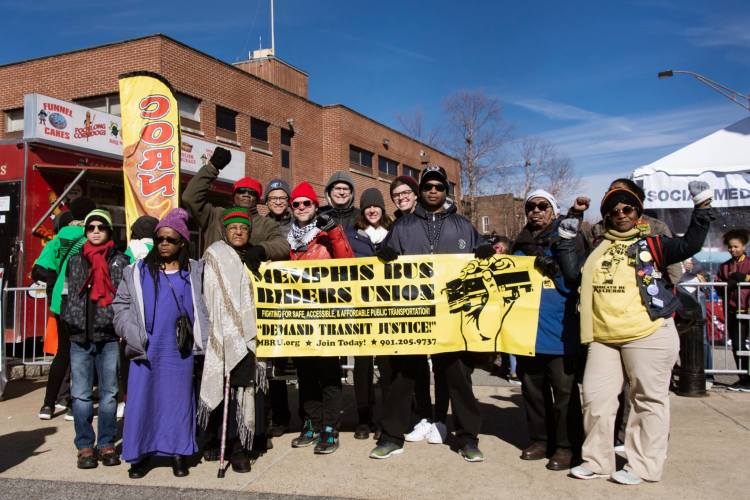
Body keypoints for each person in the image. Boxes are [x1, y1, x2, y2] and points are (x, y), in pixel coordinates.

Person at [560, 182, 712, 485]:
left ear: (637, 211)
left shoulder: (654, 242)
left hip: (648, 331)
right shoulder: (598, 246)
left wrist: (702, 208)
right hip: (604, 336)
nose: (621, 214)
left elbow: (690, 245)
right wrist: (565, 239)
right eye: (613, 210)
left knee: (647, 400)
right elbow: (574, 274)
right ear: (606, 217)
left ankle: (642, 465)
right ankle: (597, 461)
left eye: (627, 208)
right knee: (595, 399)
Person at [370, 165, 492, 462]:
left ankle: (467, 438)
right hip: (413, 315)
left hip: (453, 316)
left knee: (458, 377)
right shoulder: (403, 226)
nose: (433, 191)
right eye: (428, 187)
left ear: (445, 191)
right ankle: (392, 436)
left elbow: (484, 263)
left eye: (438, 186)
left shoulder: (463, 226)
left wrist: (486, 251)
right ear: (421, 192)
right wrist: (384, 256)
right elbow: (381, 272)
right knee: (402, 376)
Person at [113, 208, 208, 479]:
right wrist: (130, 331)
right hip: (146, 348)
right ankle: (141, 454)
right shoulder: (137, 271)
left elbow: (207, 307)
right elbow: (120, 305)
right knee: (143, 402)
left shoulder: (195, 272)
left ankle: (178, 453)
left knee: (178, 403)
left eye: (171, 239)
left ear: (182, 243)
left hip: (179, 350)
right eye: (160, 239)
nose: (164, 244)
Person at [512, 189, 585, 471]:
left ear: (553, 211)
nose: (536, 211)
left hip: (560, 331)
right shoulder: (520, 244)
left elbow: (576, 282)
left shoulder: (569, 239)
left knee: (565, 395)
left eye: (543, 206)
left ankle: (567, 446)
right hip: (527, 332)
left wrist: (553, 269)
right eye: (531, 206)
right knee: (533, 392)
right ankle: (541, 440)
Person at [198, 207, 266, 474]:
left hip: (247, 334)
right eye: (233, 228)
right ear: (225, 231)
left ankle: (239, 448)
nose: (238, 232)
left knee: (241, 389)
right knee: (221, 389)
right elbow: (211, 291)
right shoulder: (215, 254)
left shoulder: (252, 255)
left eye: (244, 228)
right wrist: (224, 325)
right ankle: (215, 440)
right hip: (221, 331)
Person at [288, 181, 353, 454]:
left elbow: (347, 261)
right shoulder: (287, 237)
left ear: (316, 206)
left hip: (327, 313)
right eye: (297, 203)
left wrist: (335, 233)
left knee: (328, 373)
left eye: (307, 203)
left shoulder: (326, 233)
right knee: (305, 374)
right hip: (299, 315)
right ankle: (311, 423)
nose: (302, 207)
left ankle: (330, 427)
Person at [61, 209, 130, 469]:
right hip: (79, 336)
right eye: (91, 227)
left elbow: (125, 297)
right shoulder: (75, 260)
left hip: (109, 336)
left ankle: (107, 443)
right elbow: (67, 293)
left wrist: (120, 325)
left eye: (101, 227)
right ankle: (85, 445)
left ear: (110, 231)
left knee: (110, 393)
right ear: (86, 231)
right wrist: (70, 320)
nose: (96, 231)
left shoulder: (121, 261)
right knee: (80, 395)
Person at [388, 175, 448, 444]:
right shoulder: (398, 225)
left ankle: (441, 419)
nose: (401, 197)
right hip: (411, 305)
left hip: (444, 304)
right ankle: (424, 415)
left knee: (444, 364)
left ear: (416, 194)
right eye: (396, 194)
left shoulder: (441, 221)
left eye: (406, 193)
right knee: (416, 367)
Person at [33, 197, 96, 420]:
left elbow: (38, 270)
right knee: (82, 352)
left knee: (62, 354)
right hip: (82, 302)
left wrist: (55, 284)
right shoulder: (90, 237)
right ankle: (73, 405)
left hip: (60, 301)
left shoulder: (57, 239)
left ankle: (48, 405)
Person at [182, 146, 289, 258]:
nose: (246, 194)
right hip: (212, 274)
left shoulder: (266, 224)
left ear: (257, 199)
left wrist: (262, 249)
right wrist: (212, 167)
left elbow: (283, 245)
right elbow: (189, 197)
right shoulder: (216, 215)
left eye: (252, 192)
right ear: (234, 195)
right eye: (241, 191)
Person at [347, 187, 393, 439]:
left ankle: (388, 417)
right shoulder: (352, 235)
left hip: (388, 308)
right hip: (361, 307)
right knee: (362, 365)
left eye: (376, 206)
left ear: (382, 209)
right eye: (367, 206)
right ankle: (363, 418)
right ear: (362, 210)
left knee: (387, 365)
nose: (372, 210)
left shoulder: (393, 233)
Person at [263, 178, 293, 437]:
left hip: (296, 298)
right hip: (269, 299)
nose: (279, 202)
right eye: (274, 198)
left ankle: (307, 416)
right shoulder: (260, 225)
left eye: (283, 198)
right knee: (273, 362)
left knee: (300, 361)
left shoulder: (298, 224)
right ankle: (279, 416)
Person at [717, 228, 750, 392]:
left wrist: (744, 278)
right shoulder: (724, 266)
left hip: (748, 311)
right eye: (730, 247)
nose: (733, 250)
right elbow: (718, 285)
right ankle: (744, 377)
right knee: (737, 345)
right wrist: (724, 285)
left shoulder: (749, 263)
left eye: (736, 246)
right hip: (733, 310)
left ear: (744, 246)